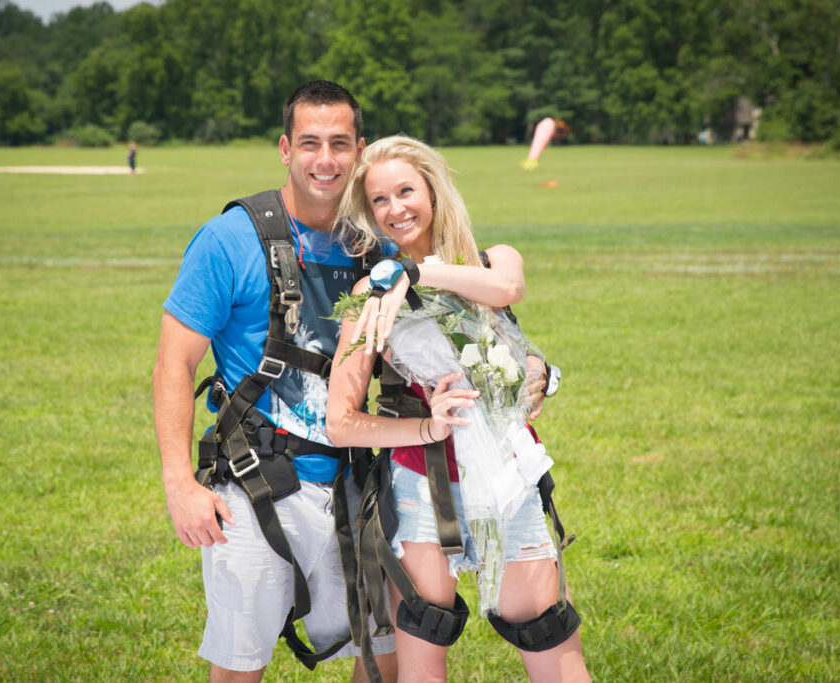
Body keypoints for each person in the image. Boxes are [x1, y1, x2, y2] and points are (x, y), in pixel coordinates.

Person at [152, 81, 396, 683]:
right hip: (254, 489)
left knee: (385, 661)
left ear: (359, 151)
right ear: (285, 148)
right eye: (310, 143)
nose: (325, 159)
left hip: (354, 489)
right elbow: (172, 367)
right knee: (239, 668)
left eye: (340, 144)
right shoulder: (228, 240)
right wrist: (180, 483)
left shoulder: (378, 249)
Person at [327, 135, 591, 681]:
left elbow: (506, 287)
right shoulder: (369, 297)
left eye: (405, 191)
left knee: (552, 644)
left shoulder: (494, 261)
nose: (395, 209)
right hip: (424, 492)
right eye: (379, 200)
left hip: (508, 484)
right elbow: (340, 421)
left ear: (434, 191)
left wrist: (415, 274)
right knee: (423, 651)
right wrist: (427, 425)